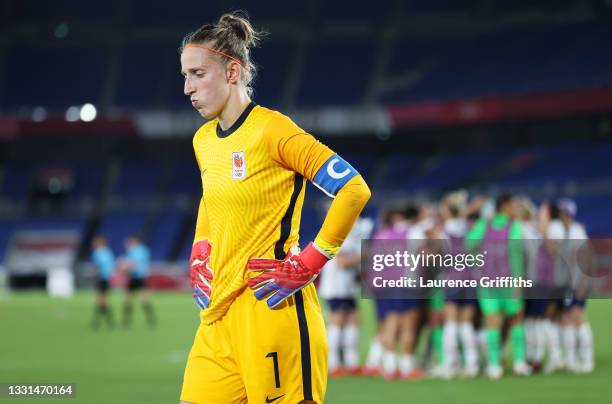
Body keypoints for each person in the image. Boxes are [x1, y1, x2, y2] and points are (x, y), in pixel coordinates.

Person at [179, 12, 371, 404]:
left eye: (198, 74)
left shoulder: (273, 130)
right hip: (217, 318)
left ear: (232, 72)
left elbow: (354, 188)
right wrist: (200, 249)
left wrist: (311, 262)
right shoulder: (203, 141)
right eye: (185, 76)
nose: (187, 88)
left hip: (271, 307)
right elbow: (211, 197)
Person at [465, 193, 530, 379]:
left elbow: (468, 244)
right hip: (510, 283)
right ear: (505, 206)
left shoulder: (484, 225)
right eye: (513, 205)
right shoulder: (515, 226)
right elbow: (518, 255)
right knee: (516, 321)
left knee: (492, 324)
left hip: (487, 284)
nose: (516, 208)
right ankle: (519, 363)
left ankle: (494, 366)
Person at [318, 214, 373, 376]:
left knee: (353, 319)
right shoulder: (339, 234)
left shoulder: (353, 234)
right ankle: (333, 363)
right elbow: (342, 263)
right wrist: (365, 255)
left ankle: (351, 362)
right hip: (336, 285)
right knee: (337, 321)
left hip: (347, 286)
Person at [546, 198, 594, 373]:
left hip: (574, 280)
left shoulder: (575, 230)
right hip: (563, 281)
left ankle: (583, 359)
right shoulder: (561, 229)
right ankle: (572, 359)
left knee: (576, 317)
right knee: (567, 318)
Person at [120, 235, 155, 328]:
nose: (126, 245)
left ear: (133, 241)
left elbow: (132, 264)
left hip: (137, 277)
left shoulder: (135, 251)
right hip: (140, 277)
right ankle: (151, 320)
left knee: (129, 300)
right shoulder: (143, 250)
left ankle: (126, 321)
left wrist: (123, 267)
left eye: (128, 243)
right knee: (142, 299)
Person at [90, 235, 115, 330]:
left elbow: (97, 266)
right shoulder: (108, 252)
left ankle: (102, 320)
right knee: (103, 299)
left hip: (100, 278)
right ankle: (105, 320)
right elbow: (111, 265)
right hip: (107, 278)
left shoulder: (97, 253)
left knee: (101, 300)